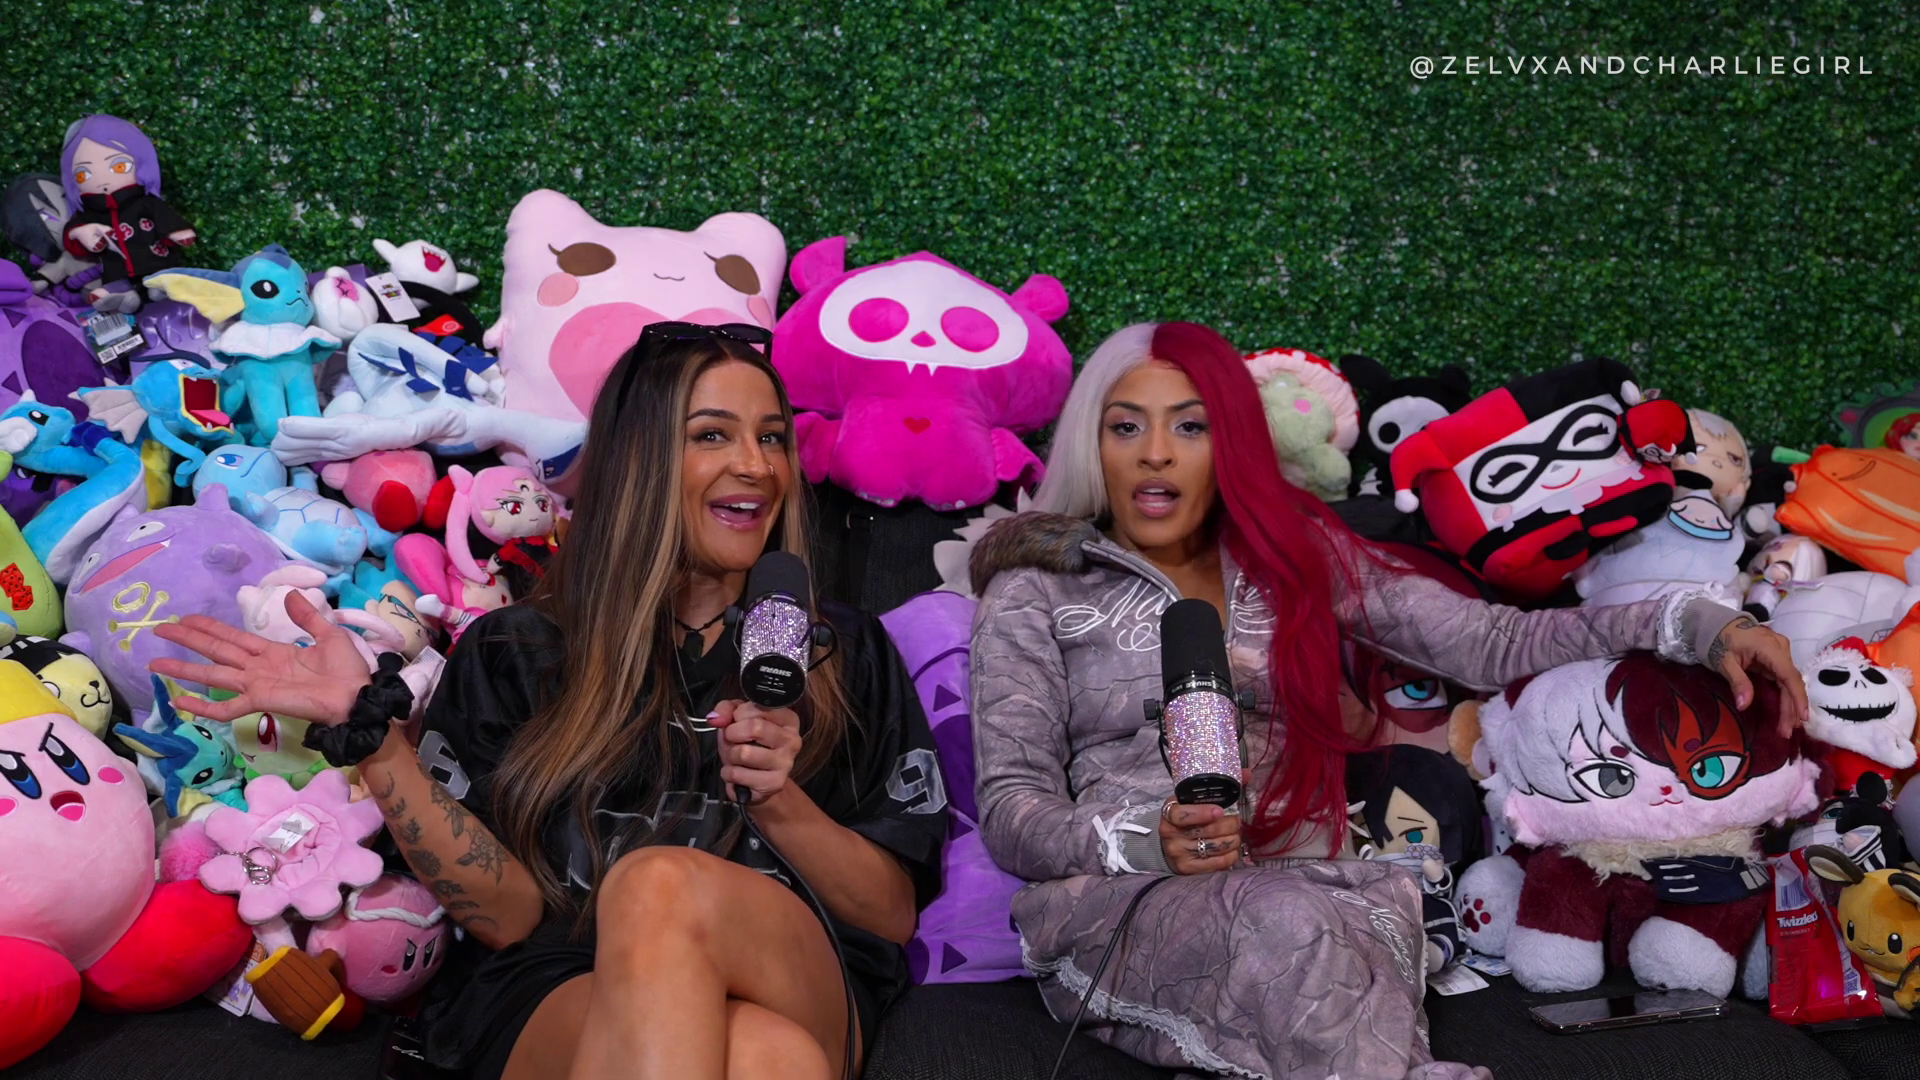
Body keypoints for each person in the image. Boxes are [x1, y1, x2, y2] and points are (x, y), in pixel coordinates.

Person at [965, 321, 1807, 1080]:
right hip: (1120, 905)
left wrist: (1693, 623)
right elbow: (1010, 808)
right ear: (1095, 444)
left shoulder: (1292, 554)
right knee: (1295, 929)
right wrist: (1145, 837)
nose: (1155, 453)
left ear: (1232, 446)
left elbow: (1491, 641)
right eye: (1126, 427)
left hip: (1317, 883)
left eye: (1190, 426)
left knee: (1336, 921)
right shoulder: (1035, 592)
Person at [152, 324, 947, 1080]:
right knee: (767, 1058)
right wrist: (378, 743)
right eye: (712, 435)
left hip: (795, 971)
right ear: (638, 461)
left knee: (658, 886)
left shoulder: (841, 651)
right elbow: (504, 917)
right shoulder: (515, 650)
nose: (757, 465)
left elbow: (889, 916)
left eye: (772, 438)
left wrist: (779, 800)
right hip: (565, 977)